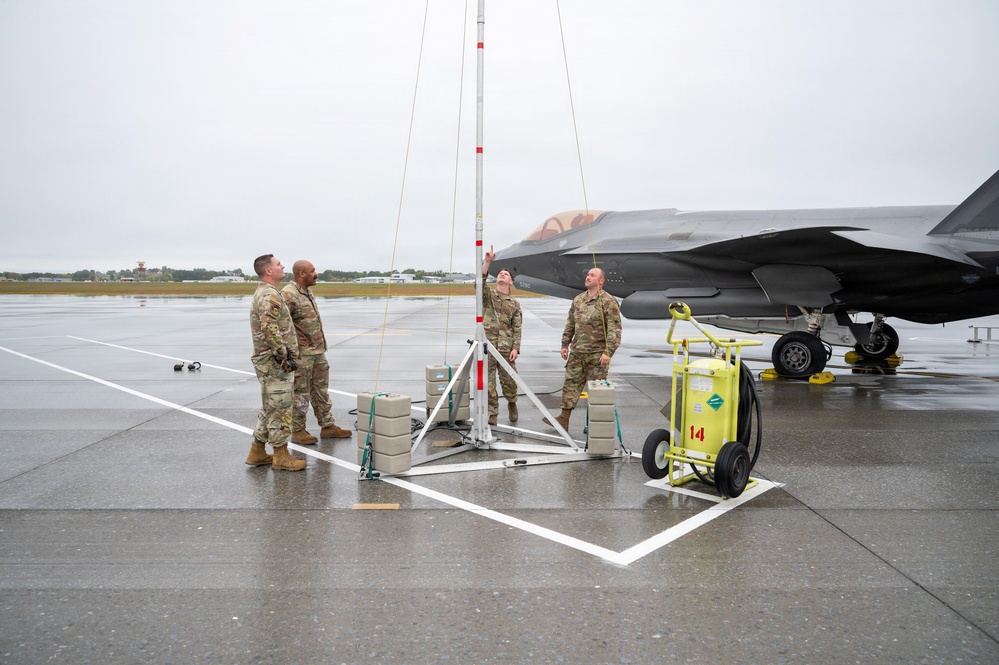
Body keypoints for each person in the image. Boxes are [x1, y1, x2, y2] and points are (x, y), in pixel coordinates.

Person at [246, 254, 307, 471]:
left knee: (271, 406)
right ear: (269, 271)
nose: (283, 266)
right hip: (274, 362)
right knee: (280, 407)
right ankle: (281, 455)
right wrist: (283, 356)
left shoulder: (269, 292)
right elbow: (269, 328)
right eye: (278, 264)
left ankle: (257, 451)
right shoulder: (269, 295)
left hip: (271, 360)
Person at [543, 266, 622, 431]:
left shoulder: (608, 301)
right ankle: (564, 419)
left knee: (597, 392)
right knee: (570, 386)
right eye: (588, 274)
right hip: (577, 353)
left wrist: (608, 352)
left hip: (597, 356)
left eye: (592, 275)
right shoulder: (578, 300)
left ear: (601, 281)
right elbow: (570, 324)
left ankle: (595, 425)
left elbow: (614, 329)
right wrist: (564, 344)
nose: (588, 277)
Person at [281, 260, 352, 444]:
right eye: (312, 271)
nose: (316, 274)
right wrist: (294, 342)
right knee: (301, 393)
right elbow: (280, 323)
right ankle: (298, 431)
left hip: (317, 352)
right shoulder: (288, 294)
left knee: (321, 391)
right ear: (301, 274)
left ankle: (327, 426)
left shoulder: (307, 292)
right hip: (302, 355)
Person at [481, 246, 523, 426]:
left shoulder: (514, 304)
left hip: (506, 349)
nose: (502, 275)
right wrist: (487, 262)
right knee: (489, 383)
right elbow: (479, 282)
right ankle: (493, 414)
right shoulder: (488, 296)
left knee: (509, 381)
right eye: (500, 273)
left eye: (506, 274)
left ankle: (512, 402)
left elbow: (517, 328)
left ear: (511, 282)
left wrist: (516, 348)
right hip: (488, 346)